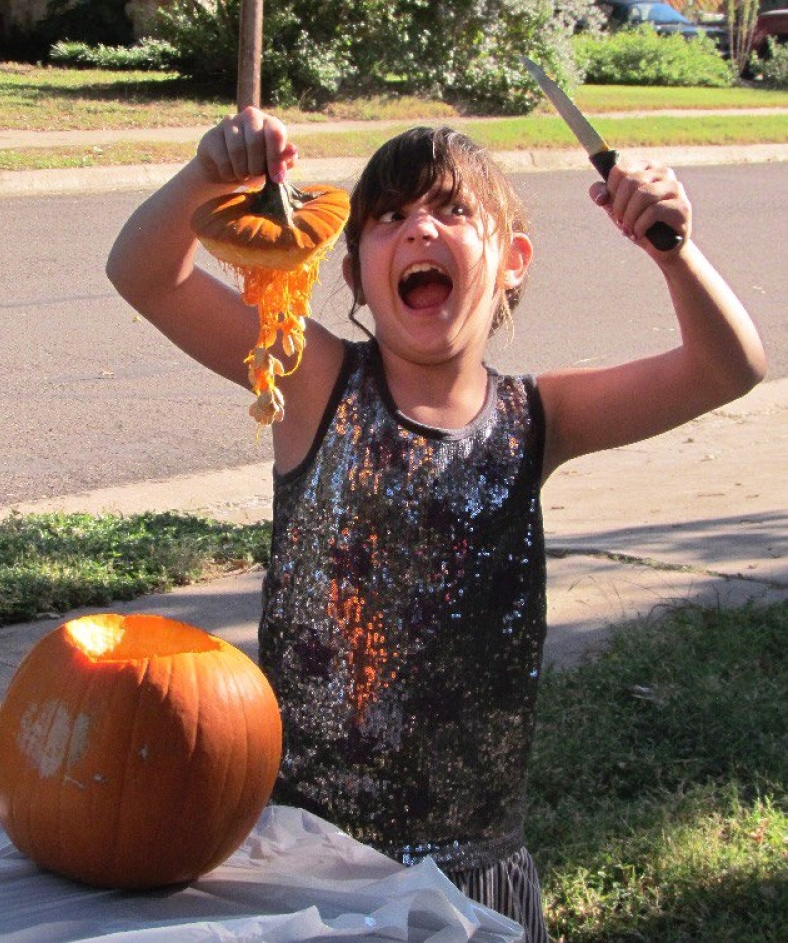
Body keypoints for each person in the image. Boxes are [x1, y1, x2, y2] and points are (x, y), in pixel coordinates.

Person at [107, 108, 767, 941]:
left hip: (474, 870)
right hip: (307, 861)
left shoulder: (540, 417)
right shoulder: (312, 379)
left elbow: (728, 367)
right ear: (354, 271)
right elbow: (144, 274)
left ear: (511, 261)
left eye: (452, 209)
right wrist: (207, 174)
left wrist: (670, 248)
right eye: (389, 215)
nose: (419, 226)